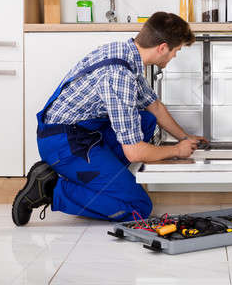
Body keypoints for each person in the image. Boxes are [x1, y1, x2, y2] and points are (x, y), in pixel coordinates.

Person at [12, 12, 207, 226]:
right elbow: (133, 153)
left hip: (82, 133)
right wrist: (177, 151)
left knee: (147, 119)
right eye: (175, 51)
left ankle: (96, 181)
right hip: (64, 143)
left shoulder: (124, 54)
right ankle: (50, 190)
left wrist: (185, 137)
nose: (174, 57)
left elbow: (155, 107)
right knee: (139, 208)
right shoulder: (119, 76)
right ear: (162, 48)